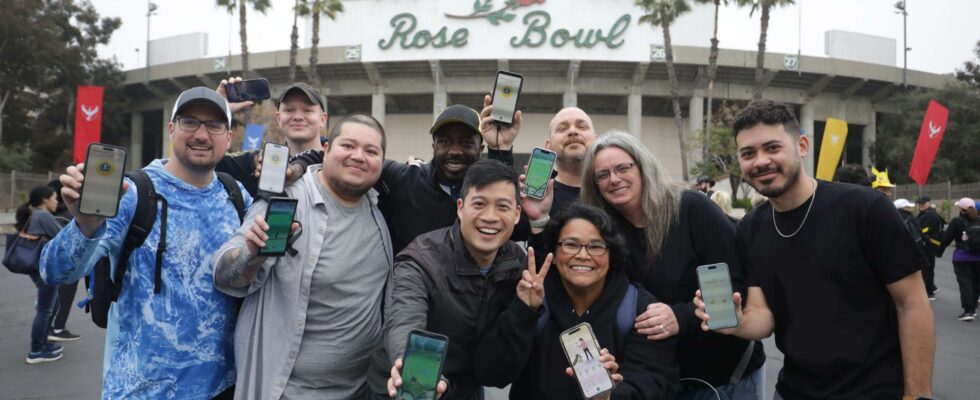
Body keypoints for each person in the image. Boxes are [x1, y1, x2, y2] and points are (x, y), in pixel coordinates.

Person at [697, 99, 934, 399]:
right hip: (794, 390)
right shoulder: (751, 228)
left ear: (802, 146)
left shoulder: (865, 208)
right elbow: (763, 313)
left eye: (772, 148)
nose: (760, 161)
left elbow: (912, 303)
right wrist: (736, 322)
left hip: (874, 390)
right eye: (748, 153)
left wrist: (917, 394)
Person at [41, 87, 252, 399]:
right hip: (141, 390)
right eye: (190, 122)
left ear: (229, 137)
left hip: (222, 388)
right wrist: (84, 225)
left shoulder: (237, 196)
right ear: (171, 129)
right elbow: (54, 272)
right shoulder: (133, 193)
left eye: (214, 126)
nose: (202, 135)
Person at [570, 131, 764, 399]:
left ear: (643, 167)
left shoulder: (691, 209)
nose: (613, 179)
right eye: (602, 175)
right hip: (655, 382)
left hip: (722, 378)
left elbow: (736, 286)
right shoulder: (605, 233)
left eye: (623, 168)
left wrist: (680, 318)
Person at [213, 114, 392, 399]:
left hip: (361, 391)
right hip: (286, 391)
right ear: (327, 149)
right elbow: (225, 276)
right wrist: (251, 254)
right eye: (348, 145)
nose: (359, 157)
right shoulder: (287, 201)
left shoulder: (379, 207)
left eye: (371, 151)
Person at [474, 203, 679, 400]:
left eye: (596, 246)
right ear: (553, 255)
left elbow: (657, 381)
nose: (582, 255)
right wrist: (522, 312)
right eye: (571, 245)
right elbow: (491, 374)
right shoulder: (530, 297)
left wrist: (610, 395)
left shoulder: (637, 308)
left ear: (611, 255)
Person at [287, 102, 520, 255]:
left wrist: (501, 149)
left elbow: (519, 226)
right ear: (434, 146)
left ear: (480, 148)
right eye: (445, 142)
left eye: (466, 143)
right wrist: (293, 170)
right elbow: (327, 154)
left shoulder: (488, 201)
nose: (455, 150)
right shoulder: (402, 179)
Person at [383, 159, 525, 400]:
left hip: (469, 390)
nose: (490, 217)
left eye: (503, 206)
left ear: (517, 214)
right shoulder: (420, 259)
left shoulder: (517, 261)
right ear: (460, 207)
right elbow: (405, 318)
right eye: (479, 204)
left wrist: (527, 308)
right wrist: (407, 364)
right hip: (411, 388)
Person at [216, 79, 328, 196]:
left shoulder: (339, 160)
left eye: (307, 110)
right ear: (279, 118)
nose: (298, 117)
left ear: (323, 119)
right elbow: (205, 161)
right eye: (289, 110)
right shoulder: (258, 163)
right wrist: (218, 110)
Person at [17, 185, 65, 364]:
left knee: (53, 305)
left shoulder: (37, 213)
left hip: (39, 266)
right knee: (45, 309)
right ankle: (36, 350)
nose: (57, 201)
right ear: (45, 200)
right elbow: (61, 236)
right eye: (54, 197)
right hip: (43, 268)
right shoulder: (43, 215)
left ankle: (43, 343)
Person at [44, 179, 82, 342]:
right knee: (63, 297)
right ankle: (57, 328)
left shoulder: (49, 214)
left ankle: (48, 329)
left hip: (48, 264)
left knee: (49, 299)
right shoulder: (68, 215)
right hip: (68, 264)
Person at [939, 198, 980, 321]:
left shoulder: (957, 221)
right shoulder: (978, 220)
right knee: (976, 284)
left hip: (962, 257)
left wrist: (939, 252)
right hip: (978, 258)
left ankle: (968, 311)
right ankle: (973, 309)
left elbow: (947, 238)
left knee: (965, 283)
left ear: (960, 209)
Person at [916, 196, 945, 300]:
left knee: (927, 269)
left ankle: (929, 292)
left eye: (923, 203)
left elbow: (926, 230)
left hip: (928, 245)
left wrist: (916, 232)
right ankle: (931, 289)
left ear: (929, 203)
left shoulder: (931, 215)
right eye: (919, 203)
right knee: (926, 269)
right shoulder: (925, 214)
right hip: (925, 245)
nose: (921, 205)